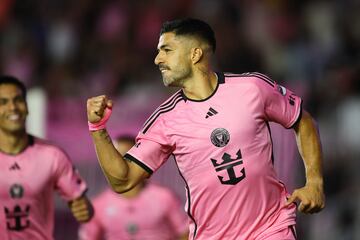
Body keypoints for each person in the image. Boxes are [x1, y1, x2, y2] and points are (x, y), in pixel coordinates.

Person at [86, 18, 325, 240]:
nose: (157, 59)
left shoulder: (252, 88)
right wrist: (98, 128)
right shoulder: (166, 120)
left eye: (166, 50)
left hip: (271, 228)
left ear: (195, 54)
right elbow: (124, 180)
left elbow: (302, 122)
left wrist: (314, 182)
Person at [0, 76, 94, 240]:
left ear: (28, 107)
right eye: (3, 102)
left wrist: (84, 209)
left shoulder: (52, 155)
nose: (13, 107)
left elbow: (83, 206)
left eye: (18, 100)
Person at [79, 135, 188, 240]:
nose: (119, 166)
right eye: (114, 159)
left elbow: (185, 234)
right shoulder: (98, 205)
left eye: (126, 158)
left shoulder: (165, 197)